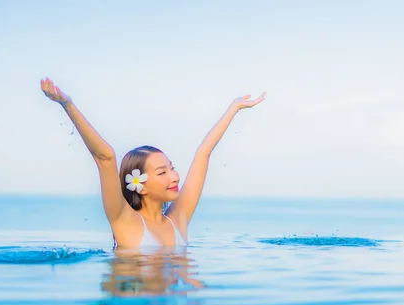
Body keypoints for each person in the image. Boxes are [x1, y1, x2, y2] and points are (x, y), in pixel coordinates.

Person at [40, 77, 265, 248]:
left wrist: (233, 108)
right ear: (140, 184)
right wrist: (66, 104)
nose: (175, 176)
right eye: (162, 172)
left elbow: (203, 153)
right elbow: (105, 157)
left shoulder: (178, 220)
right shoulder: (125, 221)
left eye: (172, 168)